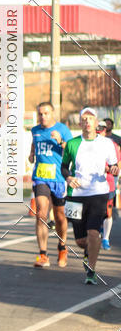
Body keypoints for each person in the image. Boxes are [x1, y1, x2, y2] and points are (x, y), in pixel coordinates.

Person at [61, 107, 120, 284]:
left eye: (90, 118)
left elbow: (114, 165)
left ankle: (91, 271)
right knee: (80, 240)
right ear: (80, 123)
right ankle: (88, 253)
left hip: (98, 193)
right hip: (75, 194)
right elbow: (64, 167)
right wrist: (69, 177)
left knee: (93, 233)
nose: (87, 121)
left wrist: (115, 169)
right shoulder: (72, 144)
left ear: (96, 123)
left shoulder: (106, 144)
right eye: (84, 119)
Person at [29, 102, 73, 268]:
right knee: (41, 213)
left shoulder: (62, 129)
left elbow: (70, 150)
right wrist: (31, 154)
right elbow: (34, 144)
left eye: (46, 113)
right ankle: (43, 255)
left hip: (59, 178)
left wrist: (61, 140)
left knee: (60, 216)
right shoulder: (35, 130)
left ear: (52, 113)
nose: (43, 117)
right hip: (41, 177)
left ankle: (62, 248)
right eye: (40, 114)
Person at [101, 119, 121, 250]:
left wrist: (115, 172)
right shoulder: (85, 143)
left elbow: (117, 163)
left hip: (108, 181)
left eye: (102, 128)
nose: (100, 131)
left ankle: (105, 238)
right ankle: (96, 231)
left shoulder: (113, 143)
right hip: (89, 184)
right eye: (98, 128)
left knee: (107, 211)